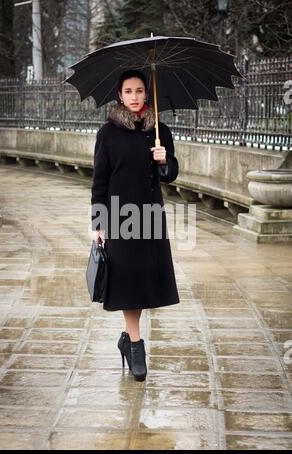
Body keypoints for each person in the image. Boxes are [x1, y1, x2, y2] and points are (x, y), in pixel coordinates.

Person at [91, 69, 180, 381]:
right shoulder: (108, 134)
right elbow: (99, 181)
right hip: (119, 218)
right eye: (128, 91)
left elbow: (171, 174)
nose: (134, 96)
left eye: (140, 90)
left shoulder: (160, 131)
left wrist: (163, 160)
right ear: (119, 94)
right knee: (128, 282)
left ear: (147, 93)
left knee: (143, 280)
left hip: (151, 217)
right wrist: (98, 222)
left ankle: (128, 341)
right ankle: (137, 345)